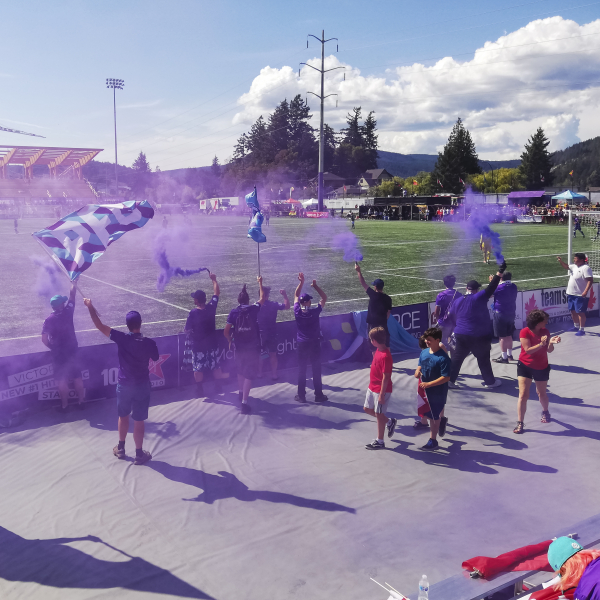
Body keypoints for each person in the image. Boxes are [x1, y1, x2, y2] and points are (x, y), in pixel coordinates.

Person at [83, 300, 159, 465]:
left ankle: (121, 448)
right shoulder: (149, 343)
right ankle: (139, 454)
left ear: (127, 325)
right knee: (139, 420)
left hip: (124, 385)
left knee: (123, 416)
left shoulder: (122, 338)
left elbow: (99, 325)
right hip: (142, 386)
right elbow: (155, 357)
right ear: (140, 324)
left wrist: (90, 307)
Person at [447, 261, 507, 389]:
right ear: (476, 290)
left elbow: (451, 316)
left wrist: (456, 328)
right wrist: (499, 272)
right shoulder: (478, 297)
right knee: (483, 359)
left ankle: (449, 381)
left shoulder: (458, 300)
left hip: (461, 334)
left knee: (457, 359)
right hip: (479, 335)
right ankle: (490, 382)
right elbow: (492, 287)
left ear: (466, 289)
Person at [513, 309, 561, 434]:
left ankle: (545, 411)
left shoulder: (545, 331)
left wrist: (551, 343)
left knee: (541, 393)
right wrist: (541, 344)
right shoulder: (525, 332)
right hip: (525, 366)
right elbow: (528, 350)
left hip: (542, 366)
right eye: (544, 320)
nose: (546, 322)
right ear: (538, 322)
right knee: (523, 395)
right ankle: (520, 422)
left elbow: (549, 350)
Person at [224, 278, 266, 414]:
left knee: (240, 371)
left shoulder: (233, 312)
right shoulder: (253, 309)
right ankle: (244, 403)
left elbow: (226, 331)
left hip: (239, 348)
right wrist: (259, 282)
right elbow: (262, 297)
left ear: (238, 300)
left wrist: (230, 340)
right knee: (249, 375)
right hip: (252, 348)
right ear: (248, 300)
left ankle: (240, 392)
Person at [41, 284, 85, 412]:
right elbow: (72, 295)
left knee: (61, 379)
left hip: (58, 353)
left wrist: (53, 347)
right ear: (60, 305)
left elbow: (44, 339)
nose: (65, 304)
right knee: (77, 377)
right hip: (72, 350)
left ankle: (64, 406)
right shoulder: (68, 311)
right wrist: (73, 282)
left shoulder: (48, 320)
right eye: (63, 303)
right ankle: (81, 402)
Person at [185, 272, 228, 398]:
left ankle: (200, 390)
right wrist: (214, 280)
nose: (193, 299)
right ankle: (218, 386)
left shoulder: (193, 313)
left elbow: (187, 329)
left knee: (198, 369)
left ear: (197, 300)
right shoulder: (211, 308)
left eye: (194, 298)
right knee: (216, 366)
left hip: (198, 347)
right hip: (212, 345)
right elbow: (216, 294)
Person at [294, 272, 328, 403]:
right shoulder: (314, 312)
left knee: (301, 370)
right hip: (314, 344)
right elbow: (324, 298)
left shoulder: (297, 312)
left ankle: (301, 396)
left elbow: (296, 295)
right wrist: (315, 286)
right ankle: (318, 395)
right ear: (308, 302)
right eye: (310, 300)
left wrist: (301, 283)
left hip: (302, 344)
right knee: (316, 369)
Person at [414, 328, 451, 450]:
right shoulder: (424, 352)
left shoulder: (443, 358)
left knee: (434, 417)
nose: (426, 341)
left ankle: (433, 440)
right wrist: (417, 371)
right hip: (425, 392)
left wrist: (429, 384)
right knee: (429, 415)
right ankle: (440, 423)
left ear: (437, 340)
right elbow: (420, 364)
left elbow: (446, 377)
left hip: (438, 393)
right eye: (425, 339)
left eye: (429, 340)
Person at [363, 327, 396, 450]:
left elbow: (386, 377)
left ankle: (380, 441)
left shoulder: (386, 356)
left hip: (381, 390)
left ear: (374, 341)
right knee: (367, 409)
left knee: (378, 414)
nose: (370, 341)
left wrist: (382, 394)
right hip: (372, 387)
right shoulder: (377, 351)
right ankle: (389, 422)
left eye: (371, 339)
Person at [355, 263, 392, 350]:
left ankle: (376, 363)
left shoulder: (373, 295)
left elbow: (363, 282)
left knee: (373, 345)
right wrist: (382, 320)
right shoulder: (388, 298)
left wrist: (358, 271)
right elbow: (388, 313)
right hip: (383, 324)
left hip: (373, 325)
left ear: (375, 287)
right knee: (386, 344)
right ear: (382, 287)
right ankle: (388, 362)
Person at [257, 284, 290, 380]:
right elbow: (287, 306)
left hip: (261, 334)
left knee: (260, 354)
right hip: (272, 333)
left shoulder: (256, 306)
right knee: (273, 354)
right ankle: (274, 375)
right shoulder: (273, 304)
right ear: (267, 295)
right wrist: (284, 295)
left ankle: (259, 374)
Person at [557, 253, 594, 336]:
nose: (574, 259)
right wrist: (561, 261)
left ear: (581, 260)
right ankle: (576, 326)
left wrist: (585, 291)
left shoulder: (586, 268)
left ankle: (582, 329)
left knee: (580, 312)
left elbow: (590, 280)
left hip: (580, 295)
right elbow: (566, 266)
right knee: (573, 311)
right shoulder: (574, 266)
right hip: (571, 293)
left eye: (576, 258)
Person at [489, 271, 518, 363]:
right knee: (509, 335)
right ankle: (510, 355)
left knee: (502, 337)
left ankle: (504, 357)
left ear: (501, 278)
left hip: (500, 314)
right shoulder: (514, 286)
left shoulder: (498, 287)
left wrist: (492, 282)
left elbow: (489, 294)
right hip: (511, 313)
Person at [433, 275, 462, 349]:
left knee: (439, 344)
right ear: (454, 283)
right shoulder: (459, 295)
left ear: (444, 283)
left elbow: (436, 311)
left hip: (443, 322)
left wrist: (437, 321)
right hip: (455, 323)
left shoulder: (440, 295)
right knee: (453, 345)